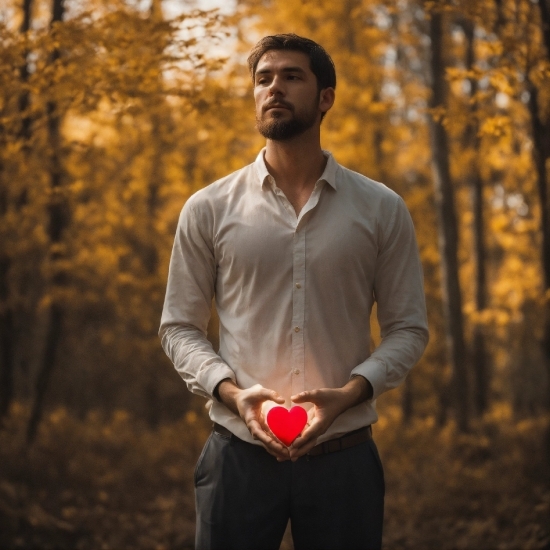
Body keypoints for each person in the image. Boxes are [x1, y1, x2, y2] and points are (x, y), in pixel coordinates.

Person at [160, 33, 429, 550]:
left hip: (343, 460)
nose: (274, 88)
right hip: (236, 459)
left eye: (291, 76)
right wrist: (233, 395)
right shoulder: (208, 208)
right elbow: (179, 327)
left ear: (325, 96)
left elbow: (408, 328)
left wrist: (351, 393)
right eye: (263, 79)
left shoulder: (381, 209)